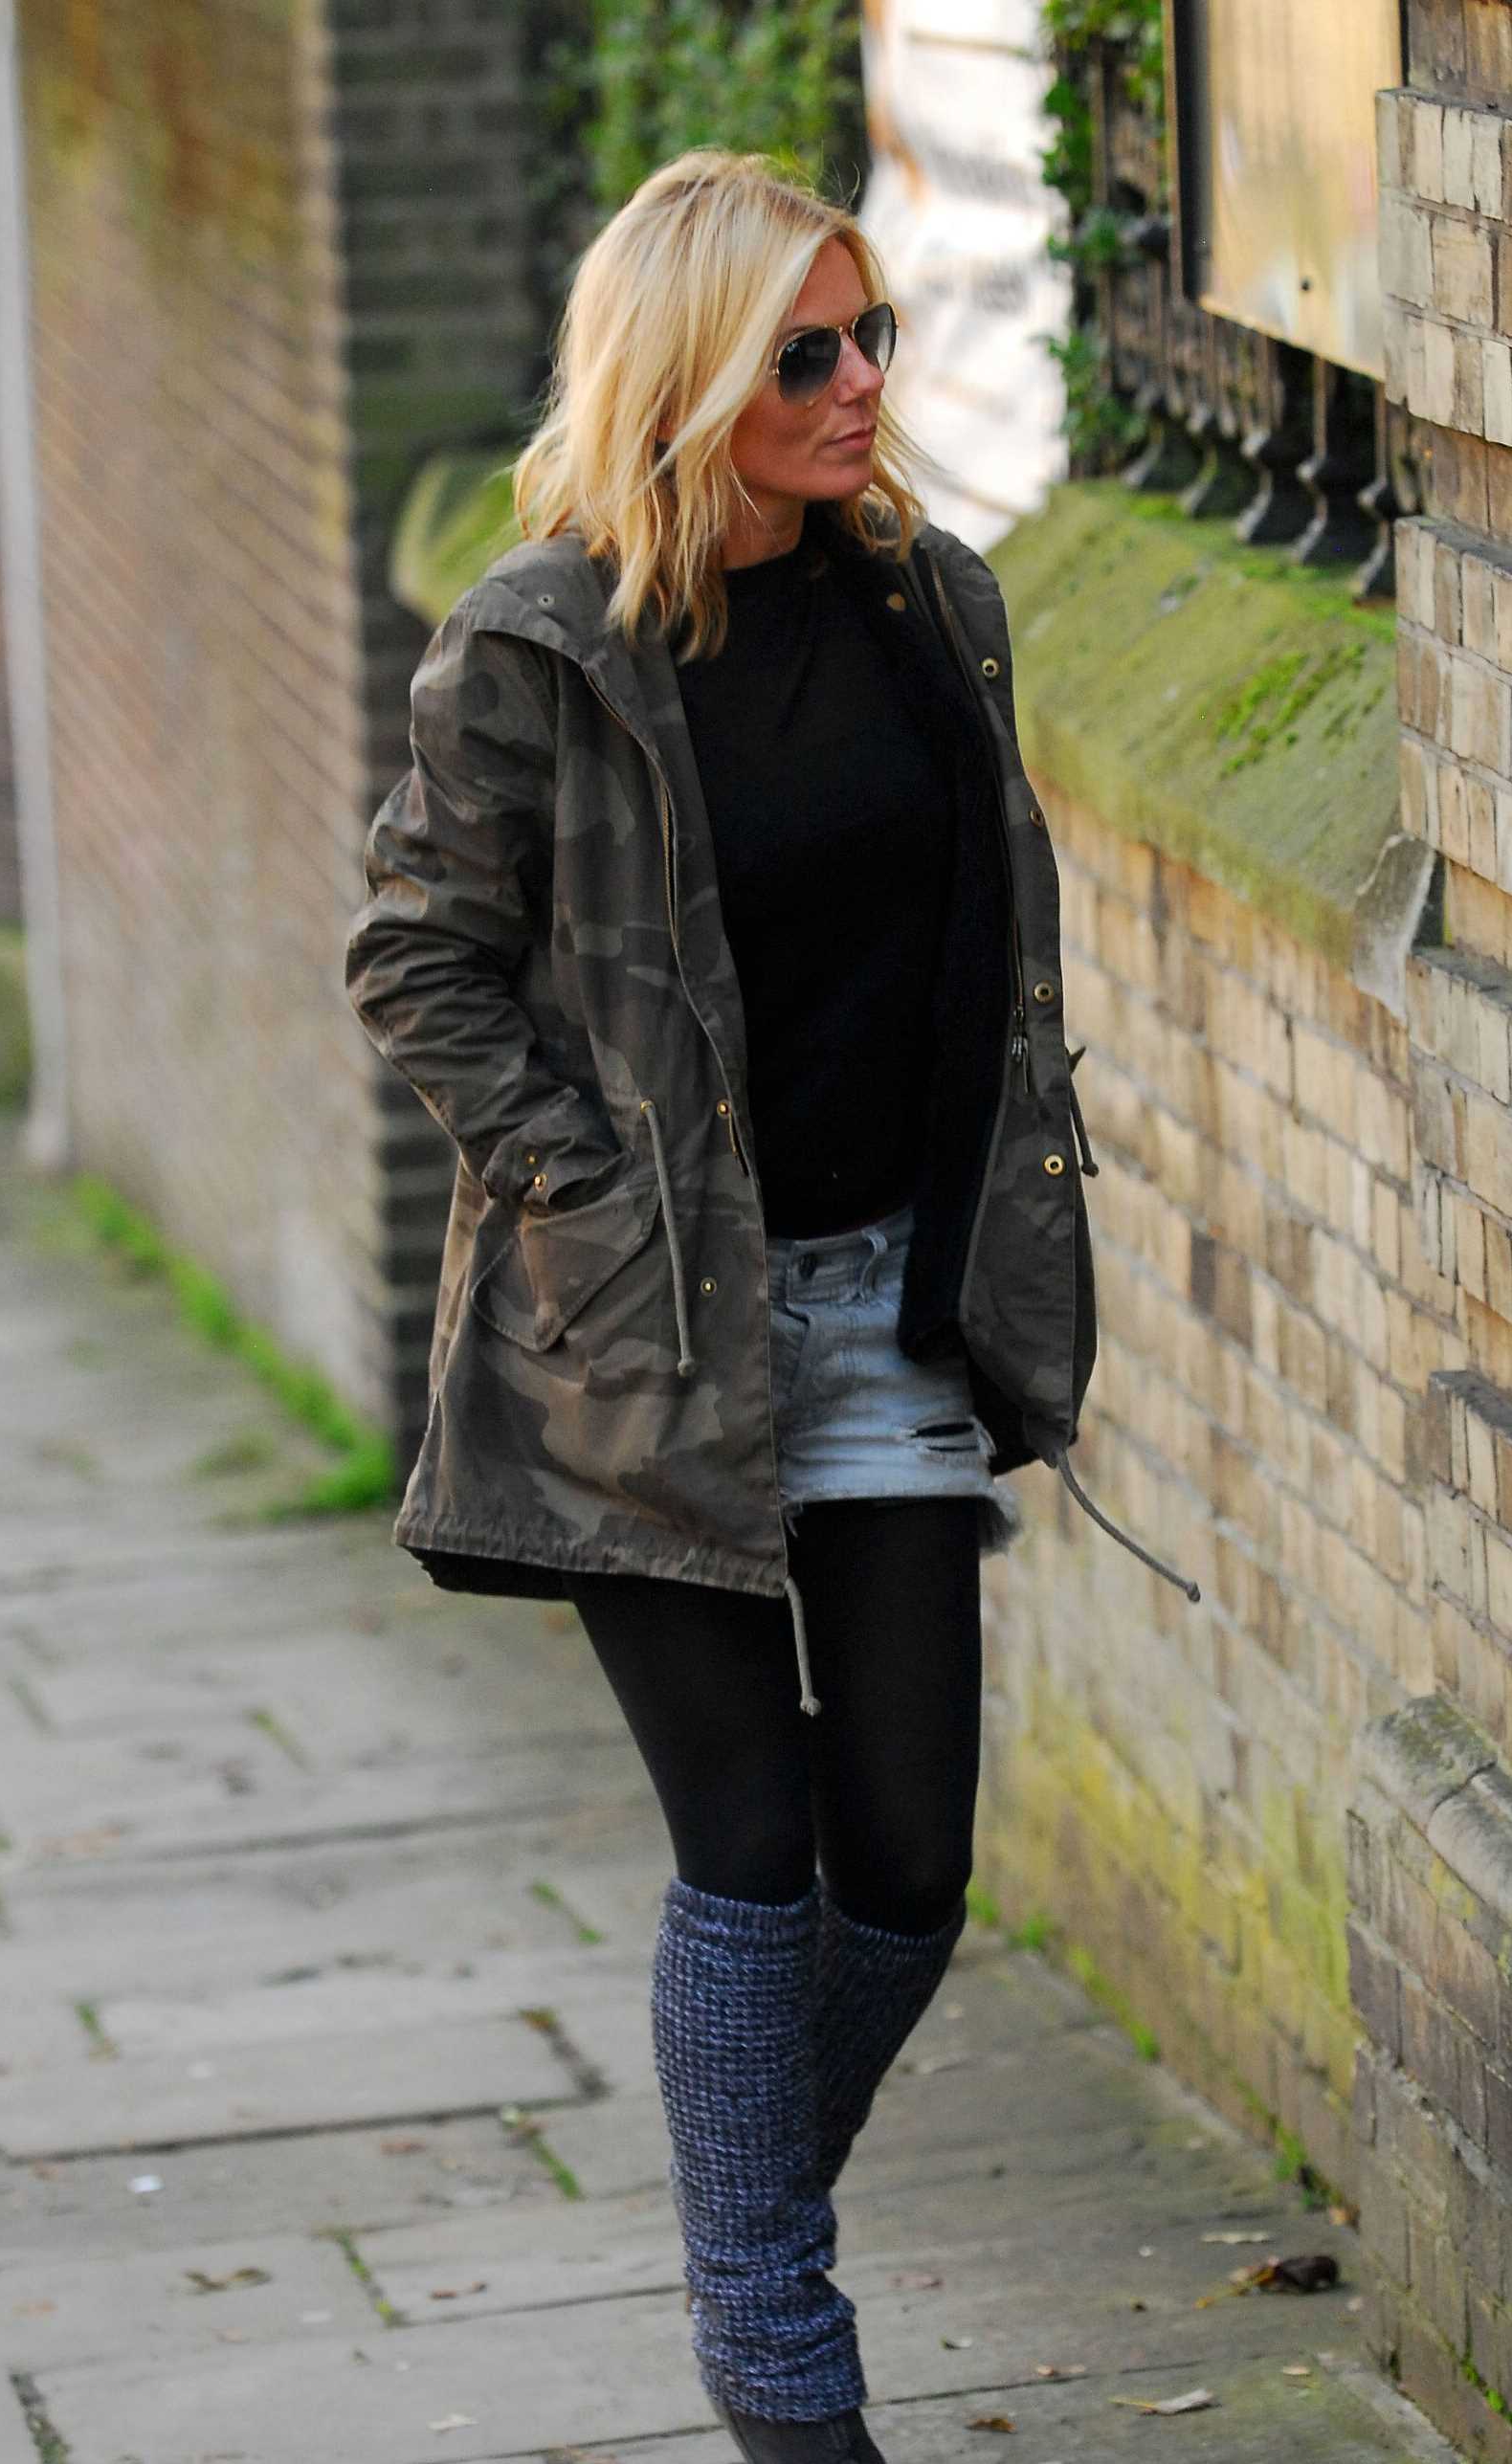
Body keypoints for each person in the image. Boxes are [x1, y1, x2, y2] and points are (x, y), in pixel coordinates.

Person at [344, 147, 1197, 2464]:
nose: (856, 382)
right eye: (802, 351)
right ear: (690, 370)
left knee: (904, 1869)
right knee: (750, 1851)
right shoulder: (539, 646)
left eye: (870, 335)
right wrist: (582, 1186)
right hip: (641, 1346)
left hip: (886, 1313)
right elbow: (412, 955)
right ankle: (787, 2379)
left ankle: (736, 2232)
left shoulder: (935, 602)